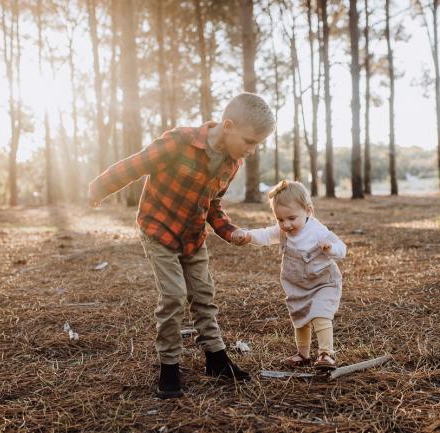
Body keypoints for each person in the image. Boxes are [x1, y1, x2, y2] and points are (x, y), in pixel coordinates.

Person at [88, 93, 275, 399]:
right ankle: (169, 366)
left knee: (203, 293)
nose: (252, 151)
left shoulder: (232, 162)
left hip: (193, 236)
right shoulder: (179, 142)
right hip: (159, 230)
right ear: (228, 125)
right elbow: (135, 165)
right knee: (174, 295)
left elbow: (213, 205)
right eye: (250, 141)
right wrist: (99, 188)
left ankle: (215, 358)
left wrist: (230, 232)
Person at [232, 180, 346, 370]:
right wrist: (248, 235)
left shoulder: (318, 231)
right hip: (298, 285)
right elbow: (266, 235)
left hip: (323, 282)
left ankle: (326, 354)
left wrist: (330, 248)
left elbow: (342, 249)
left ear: (308, 211)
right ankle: (303, 354)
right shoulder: (284, 231)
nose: (286, 225)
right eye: (280, 219)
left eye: (292, 218)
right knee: (300, 318)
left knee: (320, 314)